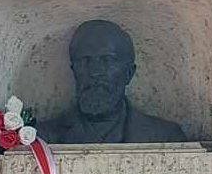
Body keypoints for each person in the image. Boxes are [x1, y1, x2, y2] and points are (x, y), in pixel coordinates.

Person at [39, 20, 187, 144]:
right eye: (85, 60)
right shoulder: (43, 138)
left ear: (129, 73)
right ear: (74, 71)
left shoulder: (166, 138)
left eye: (107, 60)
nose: (95, 71)